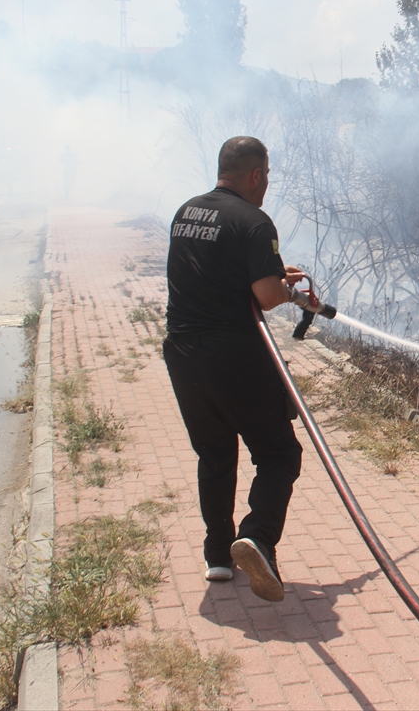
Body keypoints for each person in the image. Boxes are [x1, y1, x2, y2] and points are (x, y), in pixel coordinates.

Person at [163, 135, 311, 601]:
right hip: (235, 356)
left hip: (183, 354)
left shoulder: (186, 212)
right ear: (255, 174)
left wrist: (270, 272)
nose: (266, 185)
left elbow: (216, 272)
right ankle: (258, 538)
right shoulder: (254, 220)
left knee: (215, 454)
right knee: (279, 454)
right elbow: (265, 296)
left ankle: (217, 558)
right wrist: (288, 291)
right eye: (266, 176)